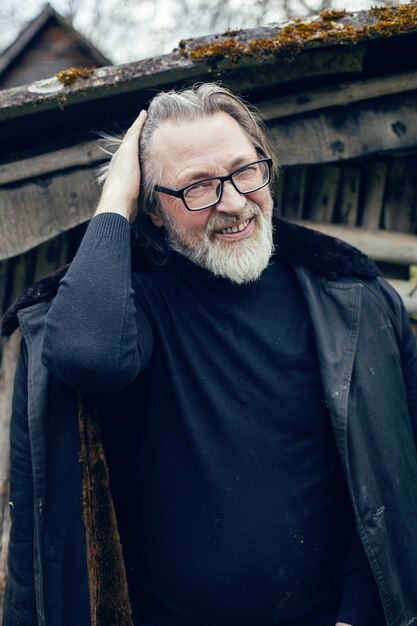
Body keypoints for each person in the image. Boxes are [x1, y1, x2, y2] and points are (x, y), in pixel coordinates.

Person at [2, 83, 417, 626]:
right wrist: (114, 200)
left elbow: (392, 480)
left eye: (245, 170)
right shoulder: (136, 306)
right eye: (198, 186)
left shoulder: (354, 301)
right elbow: (87, 356)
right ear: (153, 209)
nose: (234, 202)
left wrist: (357, 613)